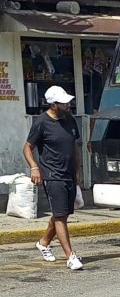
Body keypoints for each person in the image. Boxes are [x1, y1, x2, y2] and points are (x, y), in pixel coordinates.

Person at [23, 85, 83, 270]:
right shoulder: (41, 122)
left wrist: (78, 171)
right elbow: (27, 147)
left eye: (68, 102)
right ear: (53, 104)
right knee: (60, 216)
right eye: (64, 103)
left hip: (69, 174)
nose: (68, 105)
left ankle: (43, 242)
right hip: (52, 174)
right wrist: (34, 168)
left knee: (62, 213)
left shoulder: (70, 120)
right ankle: (70, 256)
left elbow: (75, 147)